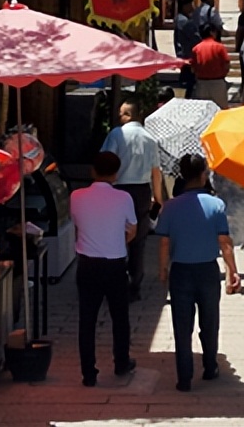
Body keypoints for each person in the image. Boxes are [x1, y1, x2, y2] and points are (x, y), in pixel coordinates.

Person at [156, 154, 240, 392]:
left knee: (182, 326)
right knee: (210, 321)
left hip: (180, 270)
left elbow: (163, 243)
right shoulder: (216, 205)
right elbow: (225, 243)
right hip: (207, 270)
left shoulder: (170, 207)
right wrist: (233, 271)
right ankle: (210, 365)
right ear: (204, 175)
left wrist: (163, 269)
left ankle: (184, 377)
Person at [69, 152, 138, 386]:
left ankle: (88, 372)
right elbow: (132, 229)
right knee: (120, 317)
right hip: (115, 263)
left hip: (88, 263)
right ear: (116, 173)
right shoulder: (124, 198)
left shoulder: (76, 196)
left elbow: (78, 223)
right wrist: (116, 239)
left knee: (87, 319)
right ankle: (121, 362)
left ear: (92, 171)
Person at [100, 98, 164, 301]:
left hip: (118, 189)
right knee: (138, 240)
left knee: (115, 236)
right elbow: (156, 171)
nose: (119, 116)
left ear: (129, 115)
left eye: (122, 113)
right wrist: (158, 198)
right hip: (142, 192)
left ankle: (114, 281)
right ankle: (134, 284)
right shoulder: (150, 138)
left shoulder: (116, 134)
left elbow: (105, 161)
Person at [190, 25, 231, 108]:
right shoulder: (219, 47)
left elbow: (193, 68)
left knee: (203, 112)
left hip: (202, 84)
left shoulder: (196, 48)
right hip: (217, 82)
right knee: (221, 111)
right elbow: (227, 64)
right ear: (211, 32)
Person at [174, 0, 200, 95]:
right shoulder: (184, 21)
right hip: (187, 54)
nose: (192, 7)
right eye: (190, 5)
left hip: (185, 53)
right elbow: (195, 37)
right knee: (188, 82)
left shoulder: (181, 19)